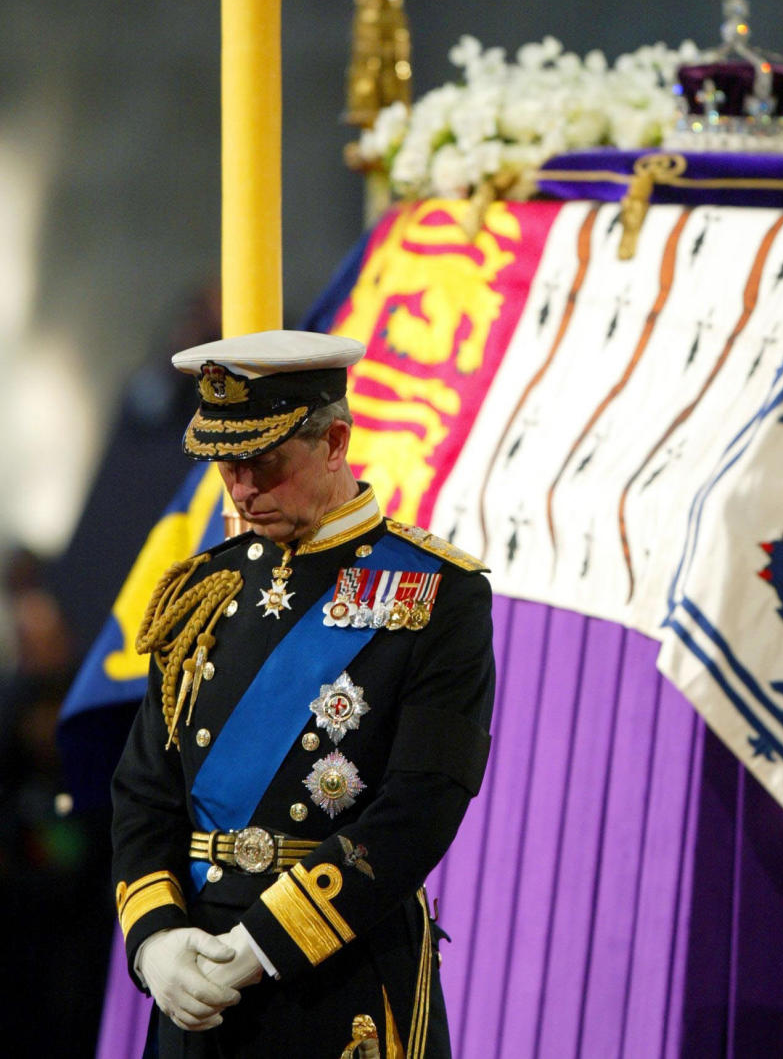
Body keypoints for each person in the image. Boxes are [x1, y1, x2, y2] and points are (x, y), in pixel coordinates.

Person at [111, 330, 495, 1058]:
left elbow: (422, 804)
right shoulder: (202, 589)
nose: (242, 487)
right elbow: (144, 791)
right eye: (227, 463)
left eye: (265, 462)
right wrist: (156, 938)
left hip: (338, 973)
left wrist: (265, 942)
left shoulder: (439, 595)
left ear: (335, 440)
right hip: (195, 980)